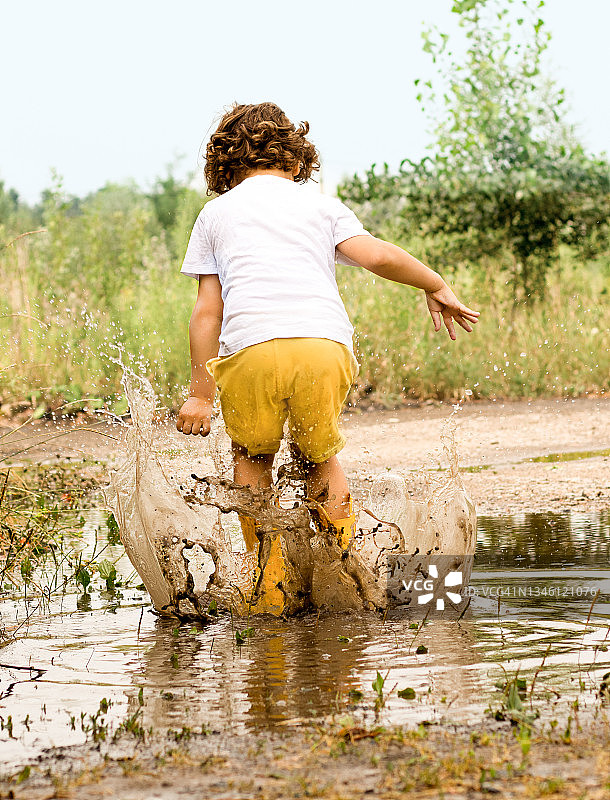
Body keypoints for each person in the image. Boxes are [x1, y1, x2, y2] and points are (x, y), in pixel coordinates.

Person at [176, 101, 479, 612]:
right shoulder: (319, 204)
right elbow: (378, 256)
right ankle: (345, 571)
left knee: (253, 456)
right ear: (296, 162)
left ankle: (267, 582)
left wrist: (200, 395)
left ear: (225, 167)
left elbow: (208, 313)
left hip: (250, 352)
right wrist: (435, 283)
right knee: (321, 456)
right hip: (323, 348)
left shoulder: (215, 213)